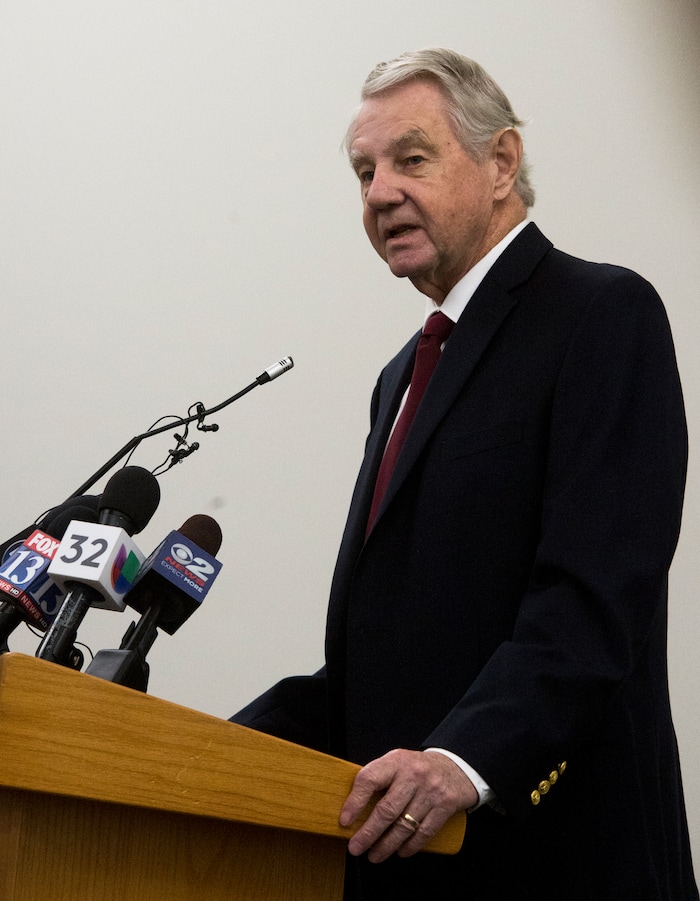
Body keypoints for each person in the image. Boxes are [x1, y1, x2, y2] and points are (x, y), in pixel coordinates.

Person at [231, 48, 698, 900]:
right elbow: (381, 666)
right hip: (409, 867)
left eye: (411, 159)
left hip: (561, 861)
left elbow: (593, 601)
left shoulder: (600, 314)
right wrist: (187, 747)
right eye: (364, 171)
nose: (378, 193)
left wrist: (464, 756)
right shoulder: (402, 375)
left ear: (501, 162)